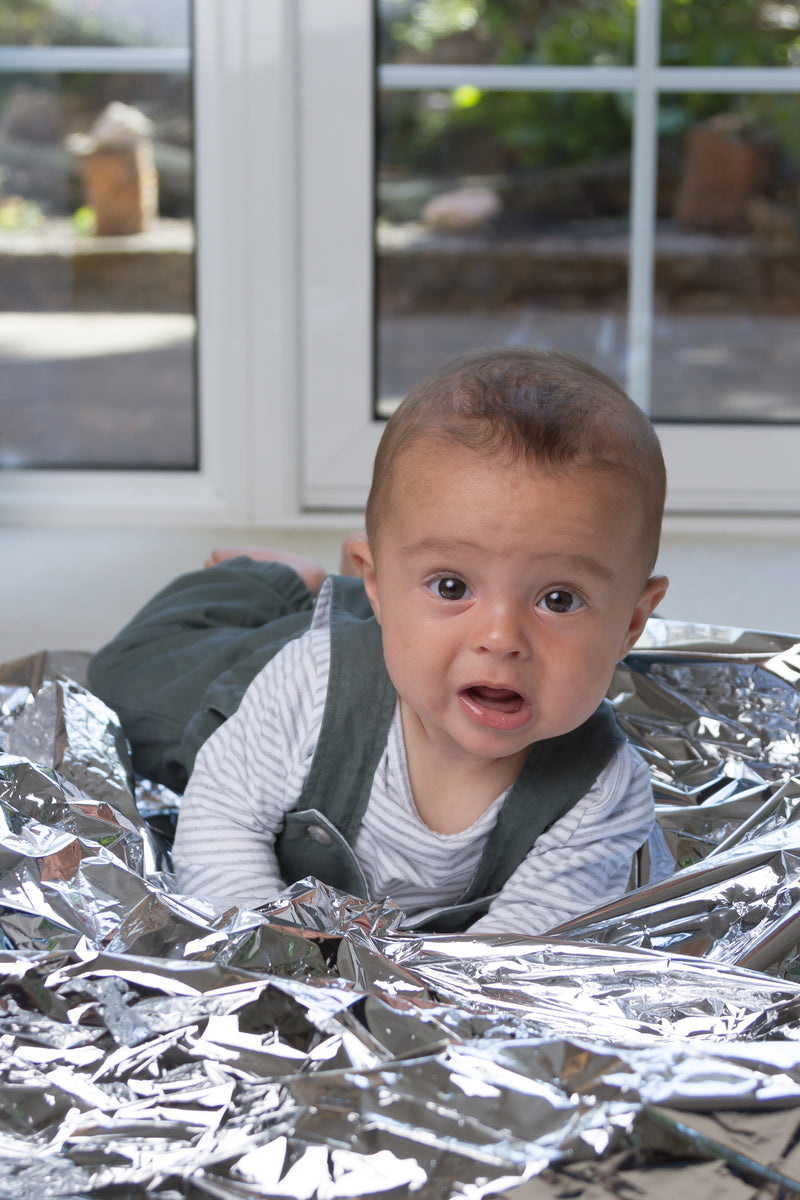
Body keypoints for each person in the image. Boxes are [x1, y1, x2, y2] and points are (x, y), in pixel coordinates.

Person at [89, 347, 670, 934]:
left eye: (559, 600)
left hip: (396, 630)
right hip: (276, 672)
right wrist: (269, 939)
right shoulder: (309, 688)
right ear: (380, 582)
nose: (500, 638)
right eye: (452, 585)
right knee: (121, 680)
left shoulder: (602, 791)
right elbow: (220, 823)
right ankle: (270, 579)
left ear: (630, 623)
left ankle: (371, 591)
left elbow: (522, 946)